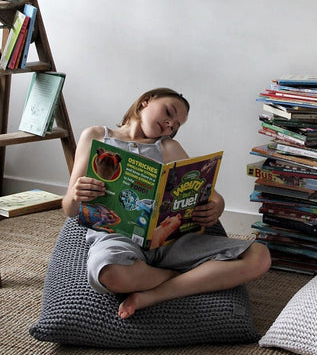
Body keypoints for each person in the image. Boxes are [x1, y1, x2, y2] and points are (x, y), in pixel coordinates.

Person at [63, 87, 271, 319]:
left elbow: (211, 195)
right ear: (145, 102)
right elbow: (69, 208)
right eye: (169, 112)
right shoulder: (96, 135)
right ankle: (187, 278)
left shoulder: (168, 147)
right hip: (117, 237)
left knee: (259, 256)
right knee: (110, 273)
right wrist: (76, 194)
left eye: (176, 125)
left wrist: (217, 206)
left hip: (172, 242)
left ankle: (154, 294)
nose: (170, 125)